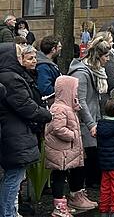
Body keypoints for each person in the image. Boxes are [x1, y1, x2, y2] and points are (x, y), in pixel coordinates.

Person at [0, 42, 51, 217]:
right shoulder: (11, 78)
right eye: (19, 53)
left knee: (13, 177)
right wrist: (47, 114)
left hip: (12, 132)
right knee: (14, 177)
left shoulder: (10, 76)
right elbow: (25, 105)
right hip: (15, 135)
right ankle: (8, 213)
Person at [45, 75, 97, 217]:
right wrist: (73, 135)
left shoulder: (68, 107)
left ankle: (67, 203)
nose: (76, 93)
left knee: (64, 176)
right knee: (59, 178)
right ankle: (59, 208)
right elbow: (58, 128)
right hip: (60, 152)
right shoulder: (59, 108)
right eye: (74, 90)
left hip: (66, 151)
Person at [68, 33, 112, 189]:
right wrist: (91, 124)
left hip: (93, 117)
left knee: (91, 154)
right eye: (106, 56)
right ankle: (80, 190)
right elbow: (80, 101)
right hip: (84, 122)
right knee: (85, 157)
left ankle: (88, 186)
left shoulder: (94, 70)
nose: (108, 59)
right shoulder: (81, 72)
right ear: (98, 56)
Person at [36, 36, 63, 103]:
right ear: (53, 49)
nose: (61, 48)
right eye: (59, 47)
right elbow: (45, 89)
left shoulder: (48, 64)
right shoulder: (43, 67)